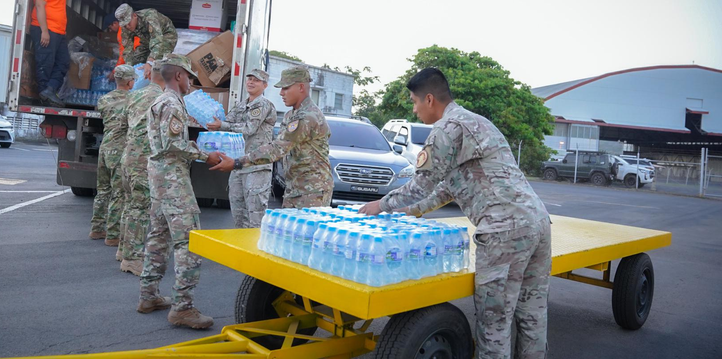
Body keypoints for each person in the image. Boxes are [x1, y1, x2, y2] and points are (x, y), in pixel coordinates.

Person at [358, 68, 551, 359]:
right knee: (532, 316)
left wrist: (381, 205)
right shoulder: (478, 122)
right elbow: (448, 188)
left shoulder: (446, 129)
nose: (414, 109)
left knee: (494, 323)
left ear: (430, 99)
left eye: (414, 102)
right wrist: (412, 212)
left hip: (504, 232)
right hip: (537, 223)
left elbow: (421, 184)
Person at [138, 54, 218, 329]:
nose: (191, 83)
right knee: (188, 240)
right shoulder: (171, 103)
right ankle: (182, 308)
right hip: (172, 177)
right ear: (180, 75)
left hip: (159, 176)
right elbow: (173, 144)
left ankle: (148, 296)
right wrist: (205, 155)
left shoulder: (162, 100)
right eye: (190, 77)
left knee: (158, 235)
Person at [211, 66, 332, 209]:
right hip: (296, 187)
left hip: (312, 189)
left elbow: (277, 148)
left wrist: (237, 163)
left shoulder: (307, 116)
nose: (281, 93)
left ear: (301, 87)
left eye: (286, 88)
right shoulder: (291, 115)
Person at [206, 69, 276, 228]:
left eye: (256, 80)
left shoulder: (263, 104)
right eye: (249, 79)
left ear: (264, 85)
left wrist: (222, 125)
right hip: (238, 164)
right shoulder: (242, 105)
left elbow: (250, 128)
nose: (251, 82)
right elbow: (226, 123)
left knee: (255, 214)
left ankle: (256, 250)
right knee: (238, 213)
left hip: (256, 165)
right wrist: (212, 122)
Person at [118, 62, 166, 276]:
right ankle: (132, 258)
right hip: (143, 161)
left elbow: (122, 124)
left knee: (129, 206)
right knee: (140, 209)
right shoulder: (163, 99)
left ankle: (123, 249)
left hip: (128, 156)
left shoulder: (134, 95)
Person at [89, 65, 134, 246]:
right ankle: (113, 234)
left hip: (105, 148)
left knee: (102, 191)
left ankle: (97, 228)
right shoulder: (133, 100)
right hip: (121, 149)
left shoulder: (104, 99)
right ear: (130, 81)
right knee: (118, 193)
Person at [30, 0, 69, 106]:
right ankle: (44, 95)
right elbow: (40, 6)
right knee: (45, 62)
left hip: (58, 32)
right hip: (46, 30)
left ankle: (50, 90)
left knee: (64, 62)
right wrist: (44, 31)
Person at [114, 4, 178, 80]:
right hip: (146, 40)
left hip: (165, 36)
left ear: (134, 16)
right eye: (124, 25)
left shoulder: (150, 16)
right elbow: (127, 49)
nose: (127, 27)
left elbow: (157, 40)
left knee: (157, 62)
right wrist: (129, 68)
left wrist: (150, 62)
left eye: (128, 23)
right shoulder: (125, 28)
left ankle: (158, 85)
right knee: (136, 59)